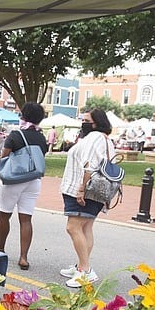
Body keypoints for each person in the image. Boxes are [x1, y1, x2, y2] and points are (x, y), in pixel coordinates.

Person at [58, 108, 114, 288]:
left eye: (86, 120)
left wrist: (82, 190)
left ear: (96, 123)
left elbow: (89, 165)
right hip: (94, 190)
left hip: (82, 189)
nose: (83, 122)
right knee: (86, 226)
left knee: (73, 227)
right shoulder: (104, 139)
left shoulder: (95, 137)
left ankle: (85, 270)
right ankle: (82, 266)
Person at [0, 103, 48, 271]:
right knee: (26, 219)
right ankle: (24, 257)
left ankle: (0, 250)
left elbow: (5, 156)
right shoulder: (41, 137)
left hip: (14, 179)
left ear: (23, 115)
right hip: (33, 180)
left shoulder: (16, 134)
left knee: (4, 215)